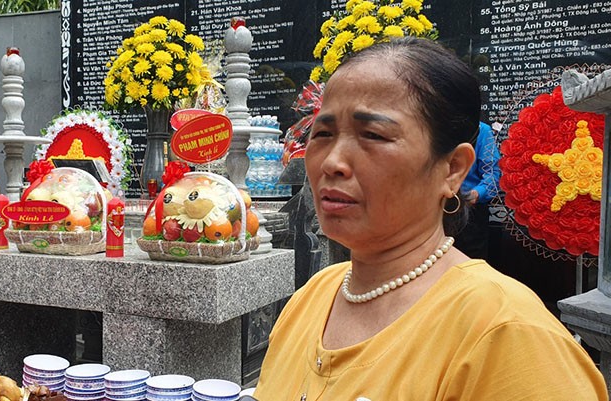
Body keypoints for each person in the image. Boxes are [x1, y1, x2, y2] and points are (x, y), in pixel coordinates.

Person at [253, 37, 606, 400]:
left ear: (452, 169)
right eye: (322, 134)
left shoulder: (507, 334)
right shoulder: (312, 297)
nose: (331, 163)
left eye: (373, 135)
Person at [455, 121, 500, 260]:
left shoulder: (481, 130)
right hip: (435, 209)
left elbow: (493, 173)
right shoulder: (432, 125)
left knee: (471, 264)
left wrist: (477, 193)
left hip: (470, 209)